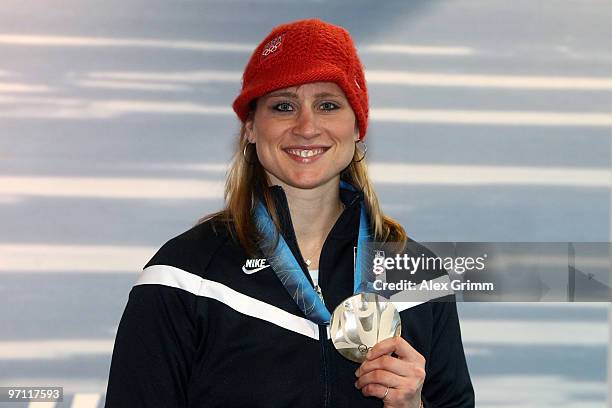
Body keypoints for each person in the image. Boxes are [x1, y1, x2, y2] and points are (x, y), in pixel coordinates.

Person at [104, 18, 475, 408]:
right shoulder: (184, 277)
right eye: (283, 106)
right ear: (250, 126)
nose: (307, 127)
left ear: (358, 125)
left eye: (328, 105)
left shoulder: (417, 276)